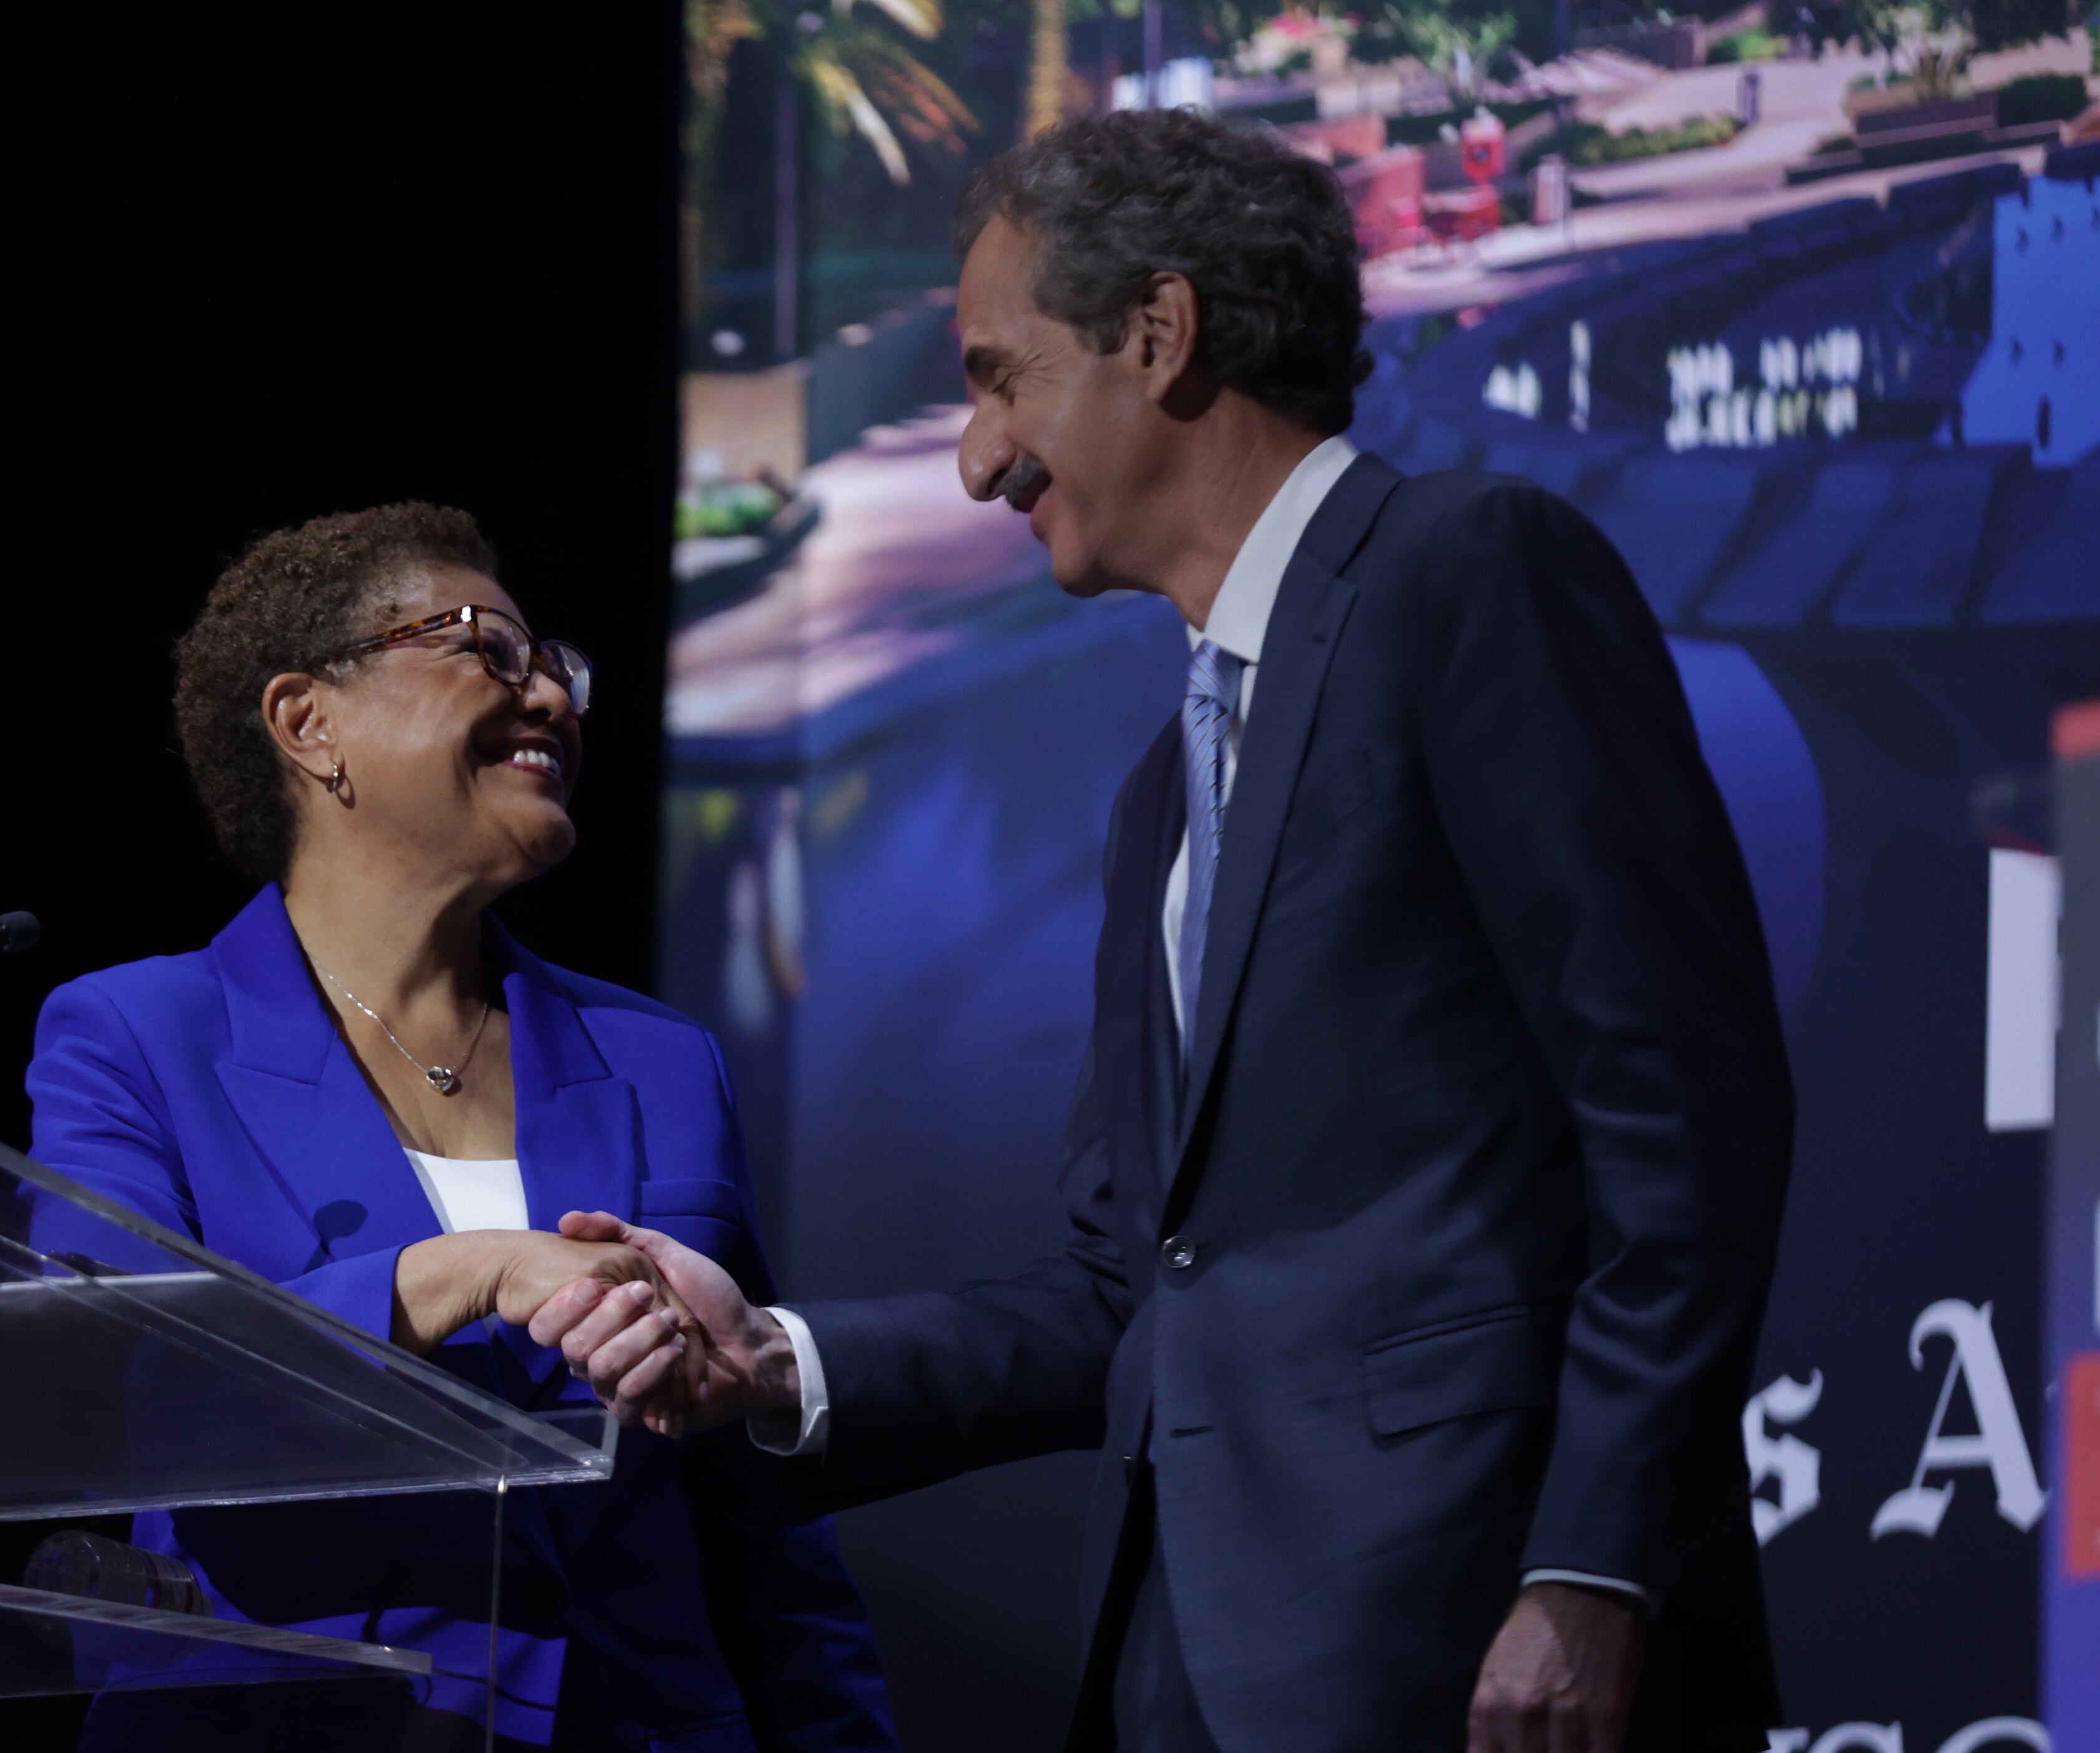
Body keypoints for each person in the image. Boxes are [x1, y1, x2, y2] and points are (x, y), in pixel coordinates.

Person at [534, 111, 1791, 1753]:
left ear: (1161, 331)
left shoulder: (1467, 571)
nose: (976, 458)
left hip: (1473, 1646)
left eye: (996, 376)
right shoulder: (1163, 791)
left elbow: (1683, 1119)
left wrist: (1592, 1568)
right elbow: (1133, 1286)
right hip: (1181, 1665)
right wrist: (774, 1359)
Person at [26, 504, 900, 1752]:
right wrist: (461, 1271)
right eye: (484, 646)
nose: (545, 692)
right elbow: (114, 1384)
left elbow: (758, 1522)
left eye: (554, 665)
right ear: (305, 722)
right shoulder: (135, 1035)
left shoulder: (660, 1061)